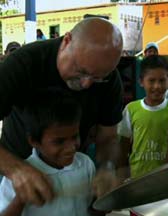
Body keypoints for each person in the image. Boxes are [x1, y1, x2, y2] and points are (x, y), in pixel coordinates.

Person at [0, 17, 123, 206]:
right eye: (81, 71)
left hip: (71, 175)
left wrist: (107, 167)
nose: (86, 84)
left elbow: (108, 137)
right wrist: (15, 169)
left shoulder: (110, 80)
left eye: (98, 78)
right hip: (12, 177)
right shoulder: (23, 64)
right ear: (66, 41)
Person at [0, 89, 95, 216]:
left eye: (74, 137)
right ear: (34, 141)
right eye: (59, 142)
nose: (71, 147)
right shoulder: (18, 179)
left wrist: (105, 199)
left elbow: (91, 208)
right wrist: (20, 200)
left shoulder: (85, 164)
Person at [118, 55, 168, 178]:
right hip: (137, 178)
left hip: (166, 178)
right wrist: (121, 175)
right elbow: (123, 148)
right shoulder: (131, 110)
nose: (157, 86)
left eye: (162, 81)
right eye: (151, 81)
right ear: (141, 81)